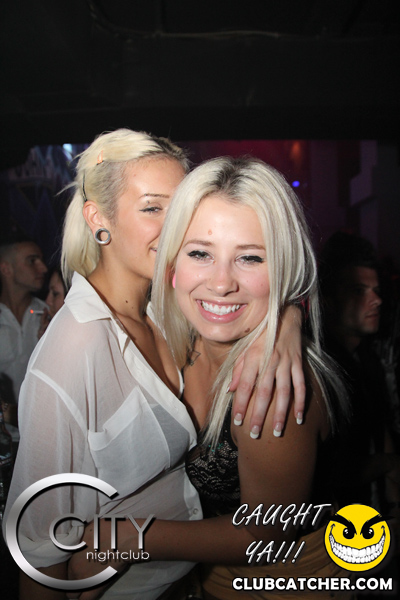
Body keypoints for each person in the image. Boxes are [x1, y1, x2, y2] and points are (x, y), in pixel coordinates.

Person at [3, 130, 304, 600]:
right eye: (152, 208)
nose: (175, 227)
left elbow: (253, 280)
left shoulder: (168, 312)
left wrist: (284, 320)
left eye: (180, 207)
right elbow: (40, 546)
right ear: (98, 219)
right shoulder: (75, 347)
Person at [70, 157, 353, 600]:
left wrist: (130, 537)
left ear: (282, 267)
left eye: (250, 257)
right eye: (200, 253)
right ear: (171, 263)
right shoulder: (167, 339)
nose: (221, 284)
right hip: (202, 577)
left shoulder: (271, 390)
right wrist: (286, 315)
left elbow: (265, 535)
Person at [319, 232, 400, 511]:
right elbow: (325, 472)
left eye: (376, 290)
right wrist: (388, 464)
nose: (376, 300)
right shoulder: (321, 371)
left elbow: (380, 424)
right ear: (328, 300)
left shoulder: (367, 357)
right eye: (359, 290)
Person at [0, 236, 48, 441]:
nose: (43, 268)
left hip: (44, 435)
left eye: (41, 260)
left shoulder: (50, 315)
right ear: (6, 269)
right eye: (32, 261)